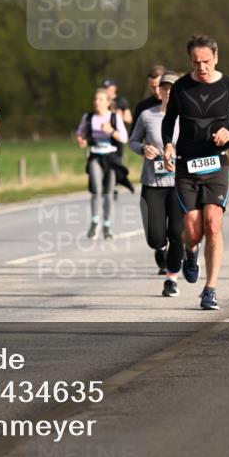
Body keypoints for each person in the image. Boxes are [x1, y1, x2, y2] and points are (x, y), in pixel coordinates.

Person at [162, 34, 229, 310]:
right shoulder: (181, 87)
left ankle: (210, 289)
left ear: (216, 57)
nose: (202, 67)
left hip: (216, 164)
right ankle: (191, 251)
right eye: (196, 62)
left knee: (213, 224)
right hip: (187, 165)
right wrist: (168, 144)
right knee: (192, 229)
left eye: (206, 61)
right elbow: (169, 120)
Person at [129, 71, 183, 293]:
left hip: (180, 184)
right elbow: (133, 141)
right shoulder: (147, 115)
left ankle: (171, 280)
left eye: (172, 88)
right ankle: (162, 249)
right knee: (155, 238)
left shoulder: (187, 116)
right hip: (152, 183)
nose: (168, 92)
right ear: (159, 90)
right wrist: (143, 149)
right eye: (165, 87)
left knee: (177, 234)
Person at [76, 88, 129, 239]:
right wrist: (81, 139)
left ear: (108, 102)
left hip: (111, 158)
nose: (97, 102)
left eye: (100, 99)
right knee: (96, 189)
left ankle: (107, 225)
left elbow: (124, 138)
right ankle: (94, 222)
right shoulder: (88, 117)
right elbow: (80, 133)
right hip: (95, 156)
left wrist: (111, 131)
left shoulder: (114, 117)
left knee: (108, 193)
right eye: (95, 99)